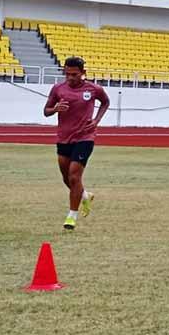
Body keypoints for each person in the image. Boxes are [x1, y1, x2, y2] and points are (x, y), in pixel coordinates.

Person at [43, 56, 110, 231]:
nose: (70, 78)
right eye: (67, 74)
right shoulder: (58, 89)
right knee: (67, 178)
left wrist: (96, 120)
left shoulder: (94, 89)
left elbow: (105, 102)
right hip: (64, 138)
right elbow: (46, 111)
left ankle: (71, 217)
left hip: (85, 137)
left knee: (74, 176)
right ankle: (85, 195)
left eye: (74, 74)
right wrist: (55, 109)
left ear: (83, 73)